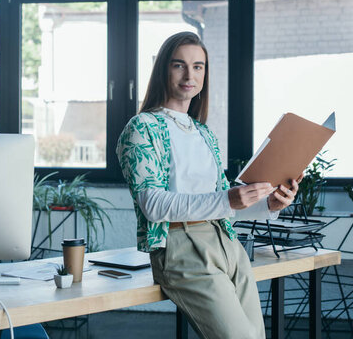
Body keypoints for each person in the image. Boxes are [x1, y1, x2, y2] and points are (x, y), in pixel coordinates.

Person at [116, 31, 301, 339]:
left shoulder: (204, 134)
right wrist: (229, 199)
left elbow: (223, 206)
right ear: (163, 69)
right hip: (180, 248)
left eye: (199, 66)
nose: (190, 74)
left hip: (227, 243)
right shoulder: (141, 128)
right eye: (179, 65)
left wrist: (267, 204)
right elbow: (153, 205)